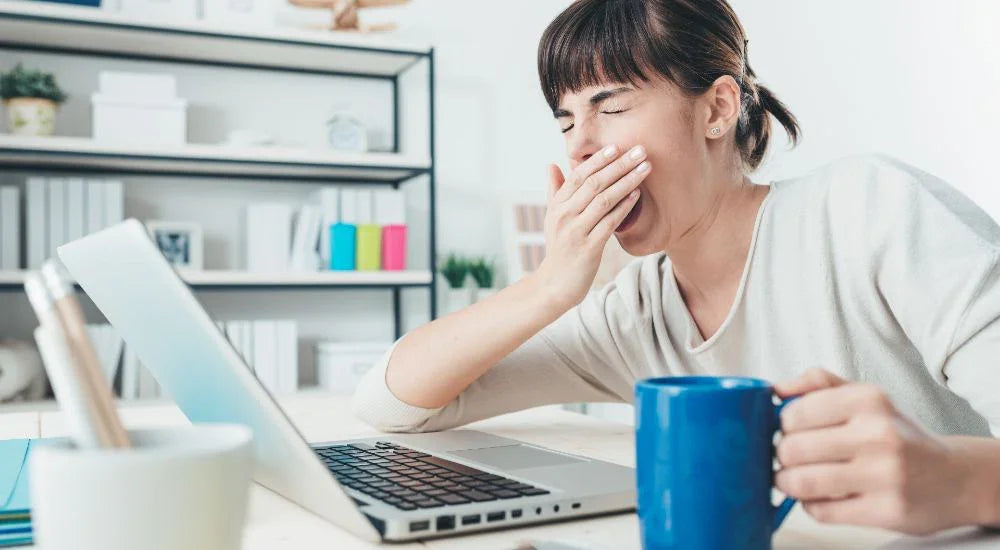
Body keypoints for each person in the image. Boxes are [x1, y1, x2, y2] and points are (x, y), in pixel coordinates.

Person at [353, 0, 1000, 535]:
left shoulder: (869, 210)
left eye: (611, 107)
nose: (580, 147)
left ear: (717, 109)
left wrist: (962, 480)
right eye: (566, 120)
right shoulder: (634, 315)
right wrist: (547, 287)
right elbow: (395, 401)